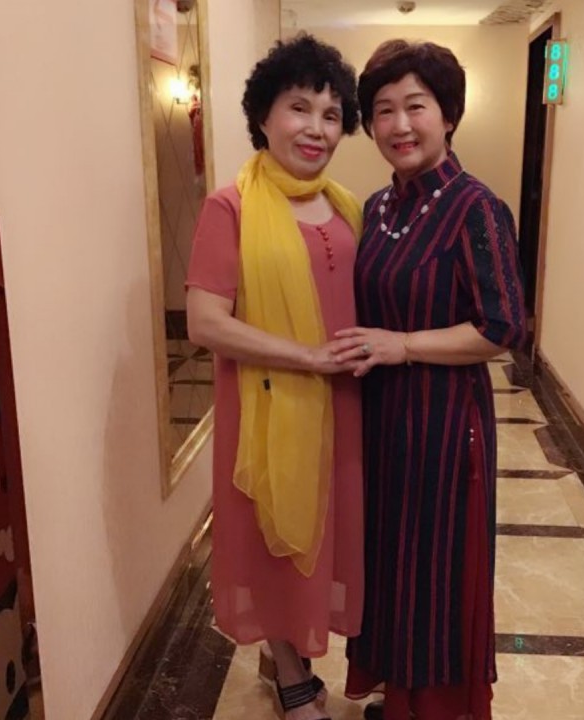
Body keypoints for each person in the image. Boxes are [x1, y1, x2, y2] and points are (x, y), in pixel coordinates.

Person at [331, 40, 527, 720]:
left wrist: (403, 345)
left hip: (445, 425)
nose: (399, 125)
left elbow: (502, 326)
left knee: (437, 567)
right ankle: (400, 695)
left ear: (448, 115)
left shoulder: (476, 208)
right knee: (390, 562)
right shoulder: (379, 208)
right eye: (383, 110)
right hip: (383, 420)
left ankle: (438, 707)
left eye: (415, 106)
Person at [185, 34, 364, 720]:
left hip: (343, 405)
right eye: (299, 108)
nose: (316, 128)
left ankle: (288, 650)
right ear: (263, 115)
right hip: (268, 406)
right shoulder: (229, 207)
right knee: (273, 536)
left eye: (331, 114)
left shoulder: (346, 206)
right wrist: (308, 358)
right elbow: (205, 323)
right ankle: (290, 671)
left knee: (325, 533)